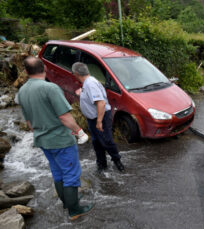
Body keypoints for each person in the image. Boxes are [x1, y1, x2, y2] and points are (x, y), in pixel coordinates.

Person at [17, 56, 94, 220]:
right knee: (71, 174)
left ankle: (68, 202)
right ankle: (75, 211)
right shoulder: (50, 88)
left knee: (58, 173)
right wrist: (80, 132)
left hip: (42, 140)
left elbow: (29, 122)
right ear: (44, 69)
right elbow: (64, 117)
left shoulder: (22, 91)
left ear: (25, 72)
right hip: (60, 139)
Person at [71, 62, 125, 172]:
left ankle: (118, 162)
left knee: (107, 141)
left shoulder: (90, 83)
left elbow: (101, 103)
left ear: (76, 73)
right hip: (92, 119)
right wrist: (82, 93)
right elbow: (92, 95)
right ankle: (102, 164)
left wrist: (99, 122)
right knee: (96, 142)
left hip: (101, 117)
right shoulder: (87, 83)